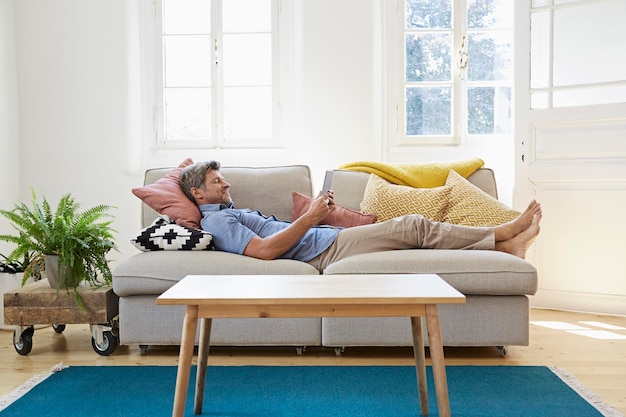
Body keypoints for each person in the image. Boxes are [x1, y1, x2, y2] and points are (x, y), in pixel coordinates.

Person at [180, 161, 541, 272]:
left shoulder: (227, 211)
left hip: (321, 242)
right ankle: (501, 233)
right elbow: (262, 251)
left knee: (411, 234)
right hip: (323, 250)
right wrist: (310, 218)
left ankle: (507, 249)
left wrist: (317, 216)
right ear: (198, 193)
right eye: (216, 181)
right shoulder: (216, 221)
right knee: (413, 226)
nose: (226, 183)